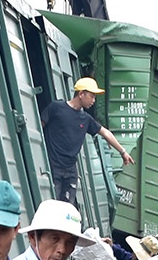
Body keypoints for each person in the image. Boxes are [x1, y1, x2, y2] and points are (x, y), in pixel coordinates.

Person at [39, 77, 134, 206]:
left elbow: (105, 132)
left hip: (70, 171)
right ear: (81, 94)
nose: (93, 101)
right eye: (92, 96)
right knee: (51, 206)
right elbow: (39, 127)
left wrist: (123, 152)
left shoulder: (86, 119)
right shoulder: (56, 107)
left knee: (66, 209)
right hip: (53, 166)